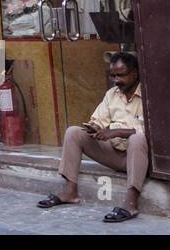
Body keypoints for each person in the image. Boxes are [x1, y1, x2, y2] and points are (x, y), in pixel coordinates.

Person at [37, 52, 147, 223]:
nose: (116, 80)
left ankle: (130, 203)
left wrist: (116, 132)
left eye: (121, 75)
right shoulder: (112, 94)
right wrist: (94, 128)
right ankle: (70, 191)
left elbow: (150, 132)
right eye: (113, 76)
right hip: (115, 154)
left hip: (140, 157)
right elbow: (98, 119)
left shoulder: (148, 95)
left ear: (135, 73)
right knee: (73, 132)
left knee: (137, 139)